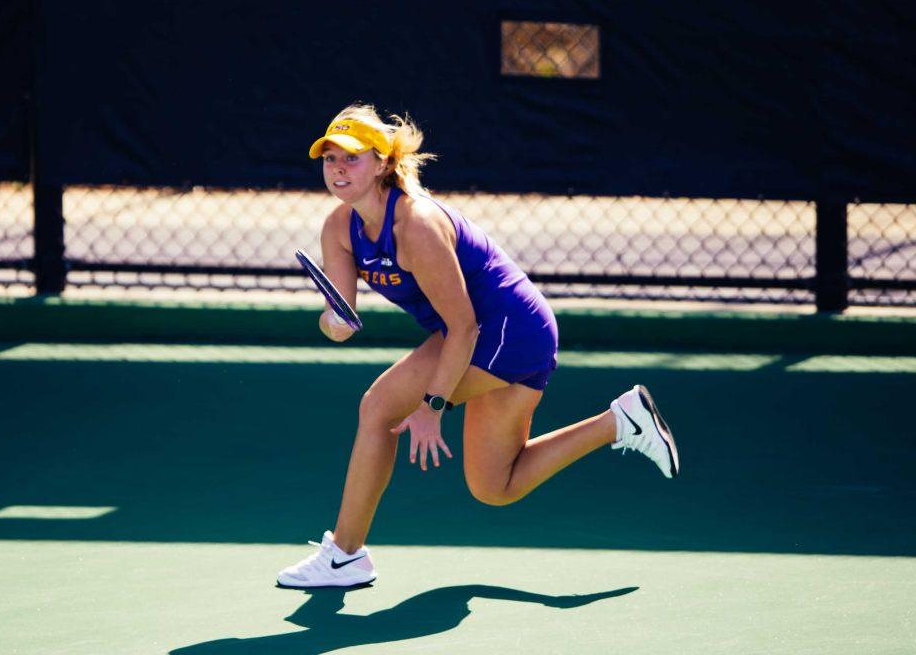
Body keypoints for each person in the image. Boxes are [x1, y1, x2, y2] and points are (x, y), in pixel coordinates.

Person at [276, 105, 679, 589]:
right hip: (473, 333)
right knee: (495, 486)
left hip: (511, 330)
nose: (338, 169)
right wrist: (333, 323)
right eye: (330, 159)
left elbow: (464, 326)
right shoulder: (338, 229)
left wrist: (432, 405)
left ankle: (344, 555)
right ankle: (622, 420)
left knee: (378, 407)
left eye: (353, 159)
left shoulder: (416, 225)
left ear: (383, 164)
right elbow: (339, 313)